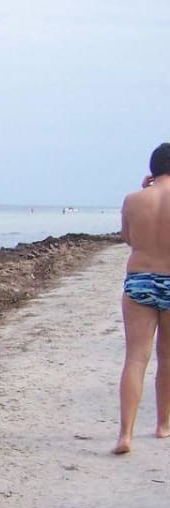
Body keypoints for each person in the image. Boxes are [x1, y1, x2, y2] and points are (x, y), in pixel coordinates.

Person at [114, 142, 170, 453]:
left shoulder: (134, 200)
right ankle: (163, 425)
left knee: (136, 357)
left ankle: (126, 435)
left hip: (140, 280)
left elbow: (129, 238)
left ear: (152, 170)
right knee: (168, 357)